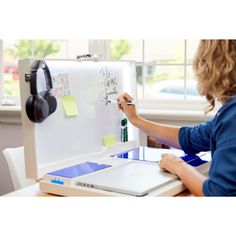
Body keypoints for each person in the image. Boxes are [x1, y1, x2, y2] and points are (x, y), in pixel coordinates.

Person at [118, 40, 236, 196]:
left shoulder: (232, 116)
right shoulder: (228, 114)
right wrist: (135, 119)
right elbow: (188, 138)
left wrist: (179, 166)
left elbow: (217, 194)